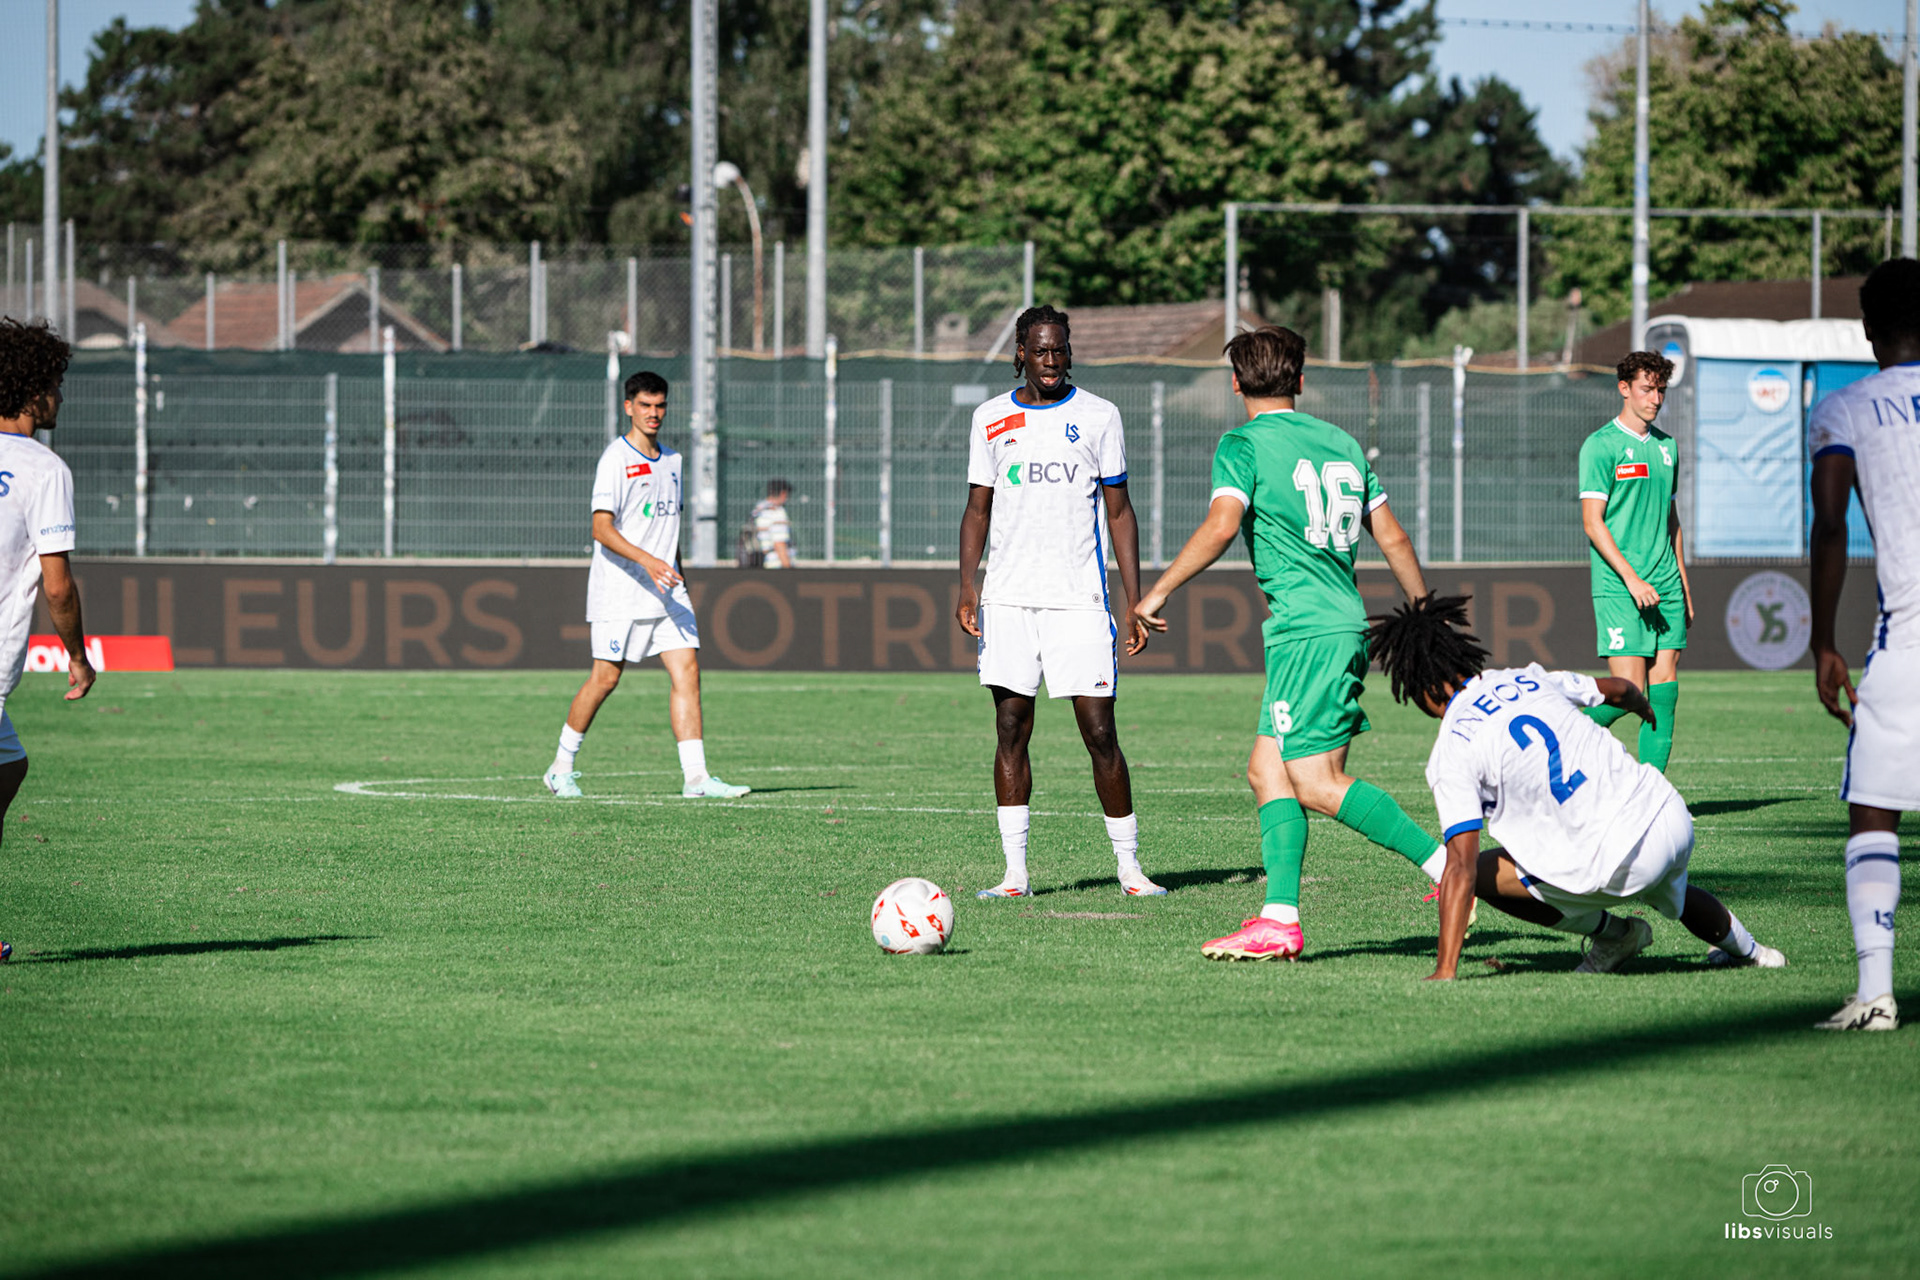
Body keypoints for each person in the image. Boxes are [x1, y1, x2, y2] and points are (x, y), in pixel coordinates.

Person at [1134, 326, 1448, 961]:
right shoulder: (1341, 442)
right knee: (1266, 770)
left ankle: (1450, 869)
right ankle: (1279, 919)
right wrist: (1425, 617)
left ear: (1235, 384)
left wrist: (1157, 591)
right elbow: (1393, 539)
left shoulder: (1242, 445)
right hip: (1326, 627)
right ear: (1300, 380)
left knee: (1315, 781)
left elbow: (1223, 525)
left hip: (1309, 633)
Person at [1370, 594, 1785, 981]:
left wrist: (1445, 969)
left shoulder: (1452, 748)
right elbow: (1619, 689)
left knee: (1476, 871)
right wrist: (1639, 703)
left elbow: (1459, 866)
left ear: (1419, 688)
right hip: (1667, 814)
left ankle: (1615, 935)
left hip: (1614, 860)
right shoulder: (1526, 677)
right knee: (1670, 887)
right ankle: (1757, 954)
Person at [955, 305, 1165, 898]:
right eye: (1041, 351)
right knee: (1010, 727)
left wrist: (1133, 599)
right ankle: (1015, 874)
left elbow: (1119, 512)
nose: (1052, 361)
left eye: (1061, 350)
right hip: (1010, 600)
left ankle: (1129, 867)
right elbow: (977, 509)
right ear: (1020, 352)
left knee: (1099, 731)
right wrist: (968, 585)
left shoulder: (1100, 416)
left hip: (1079, 600)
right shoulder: (990, 418)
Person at [1807, 256, 1920, 1032]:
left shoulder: (1844, 407)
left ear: (1869, 329)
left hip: (1908, 638)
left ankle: (1875, 993)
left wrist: (1822, 640)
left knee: (1874, 809)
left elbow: (1831, 523)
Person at [544, 370, 749, 801]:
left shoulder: (673, 461)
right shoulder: (615, 460)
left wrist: (676, 576)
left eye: (660, 406)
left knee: (687, 673)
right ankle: (560, 766)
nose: (654, 414)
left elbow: (665, 530)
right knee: (605, 679)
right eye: (645, 406)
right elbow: (601, 528)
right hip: (621, 590)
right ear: (628, 407)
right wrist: (649, 561)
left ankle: (696, 778)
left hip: (668, 590)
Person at [0, 318, 96, 963]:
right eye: (56, 384)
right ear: (34, 392)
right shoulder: (41, 468)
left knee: (10, 765)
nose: (60, 398)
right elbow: (57, 587)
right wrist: (79, 656)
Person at [1576, 351, 1694, 772]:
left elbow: (1671, 518)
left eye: (1661, 389)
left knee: (1665, 689)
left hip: (1665, 585)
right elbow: (1593, 523)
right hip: (1620, 586)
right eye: (1647, 388)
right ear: (1624, 389)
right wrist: (1631, 579)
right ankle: (1557, 739)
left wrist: (1682, 582)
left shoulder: (1667, 448)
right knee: (1629, 691)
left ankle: (1653, 794)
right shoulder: (1600, 446)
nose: (1656, 398)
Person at [752, 479, 794, 569]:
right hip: (777, 564)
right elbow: (779, 543)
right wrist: (789, 570)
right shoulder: (777, 513)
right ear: (783, 493)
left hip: (762, 562)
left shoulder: (758, 509)